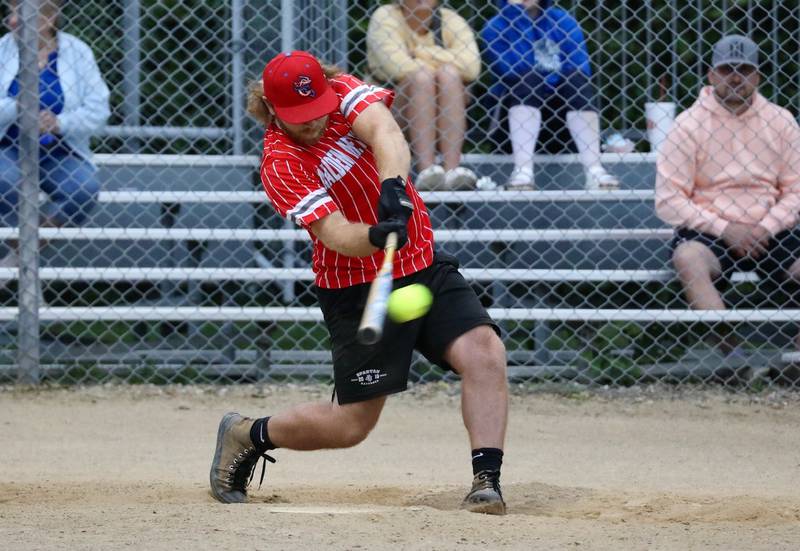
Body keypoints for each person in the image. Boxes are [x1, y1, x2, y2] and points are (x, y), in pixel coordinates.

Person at [209, 51, 509, 515]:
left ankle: (486, 481)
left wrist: (391, 187)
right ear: (269, 110)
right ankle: (246, 433)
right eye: (298, 118)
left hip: (422, 264)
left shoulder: (344, 91)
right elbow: (333, 233)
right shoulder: (279, 164)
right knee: (351, 427)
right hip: (354, 284)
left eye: (316, 112)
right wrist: (373, 235)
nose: (312, 123)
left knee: (484, 352)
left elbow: (386, 132)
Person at [656, 35, 800, 352]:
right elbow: (669, 200)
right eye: (726, 69)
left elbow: (795, 191)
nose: (735, 77)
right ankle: (731, 358)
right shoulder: (688, 124)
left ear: (758, 76)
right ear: (711, 75)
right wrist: (724, 228)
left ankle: (795, 363)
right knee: (688, 258)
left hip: (770, 228)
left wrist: (767, 226)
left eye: (744, 69)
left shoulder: (781, 121)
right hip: (710, 229)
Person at [0, 0, 110, 267]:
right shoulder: (2, 50)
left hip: (59, 150)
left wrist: (60, 123)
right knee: (5, 180)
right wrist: (19, 106)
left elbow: (99, 110)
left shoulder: (77, 52)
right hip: (8, 146)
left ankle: (18, 260)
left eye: (21, 13)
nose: (12, 20)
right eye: (10, 12)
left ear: (48, 20)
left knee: (83, 189)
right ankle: (25, 265)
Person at [481, 0, 619, 191]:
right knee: (529, 79)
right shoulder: (495, 27)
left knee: (575, 81)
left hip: (562, 124)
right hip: (513, 126)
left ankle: (594, 170)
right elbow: (515, 69)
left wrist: (550, 82)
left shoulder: (563, 20)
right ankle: (522, 172)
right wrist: (517, 16)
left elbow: (581, 69)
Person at [366, 0, 480, 191]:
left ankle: (452, 171)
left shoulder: (450, 20)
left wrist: (419, 52)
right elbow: (397, 67)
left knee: (449, 75)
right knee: (422, 78)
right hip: (392, 117)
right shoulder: (385, 16)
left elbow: (472, 67)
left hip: (438, 116)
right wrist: (443, 59)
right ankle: (427, 171)